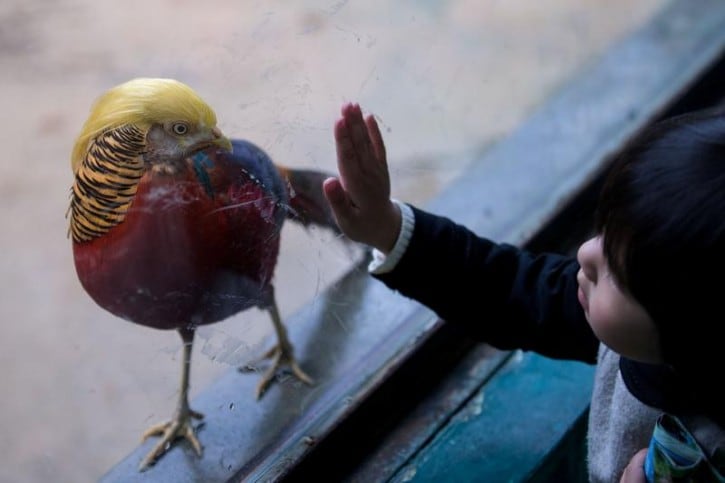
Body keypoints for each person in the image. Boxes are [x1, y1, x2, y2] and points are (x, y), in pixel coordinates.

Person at [322, 102, 725, 482]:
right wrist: (388, 228)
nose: (585, 254)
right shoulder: (638, 325)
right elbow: (504, 287)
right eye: (604, 232)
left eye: (616, 271)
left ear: (690, 331)